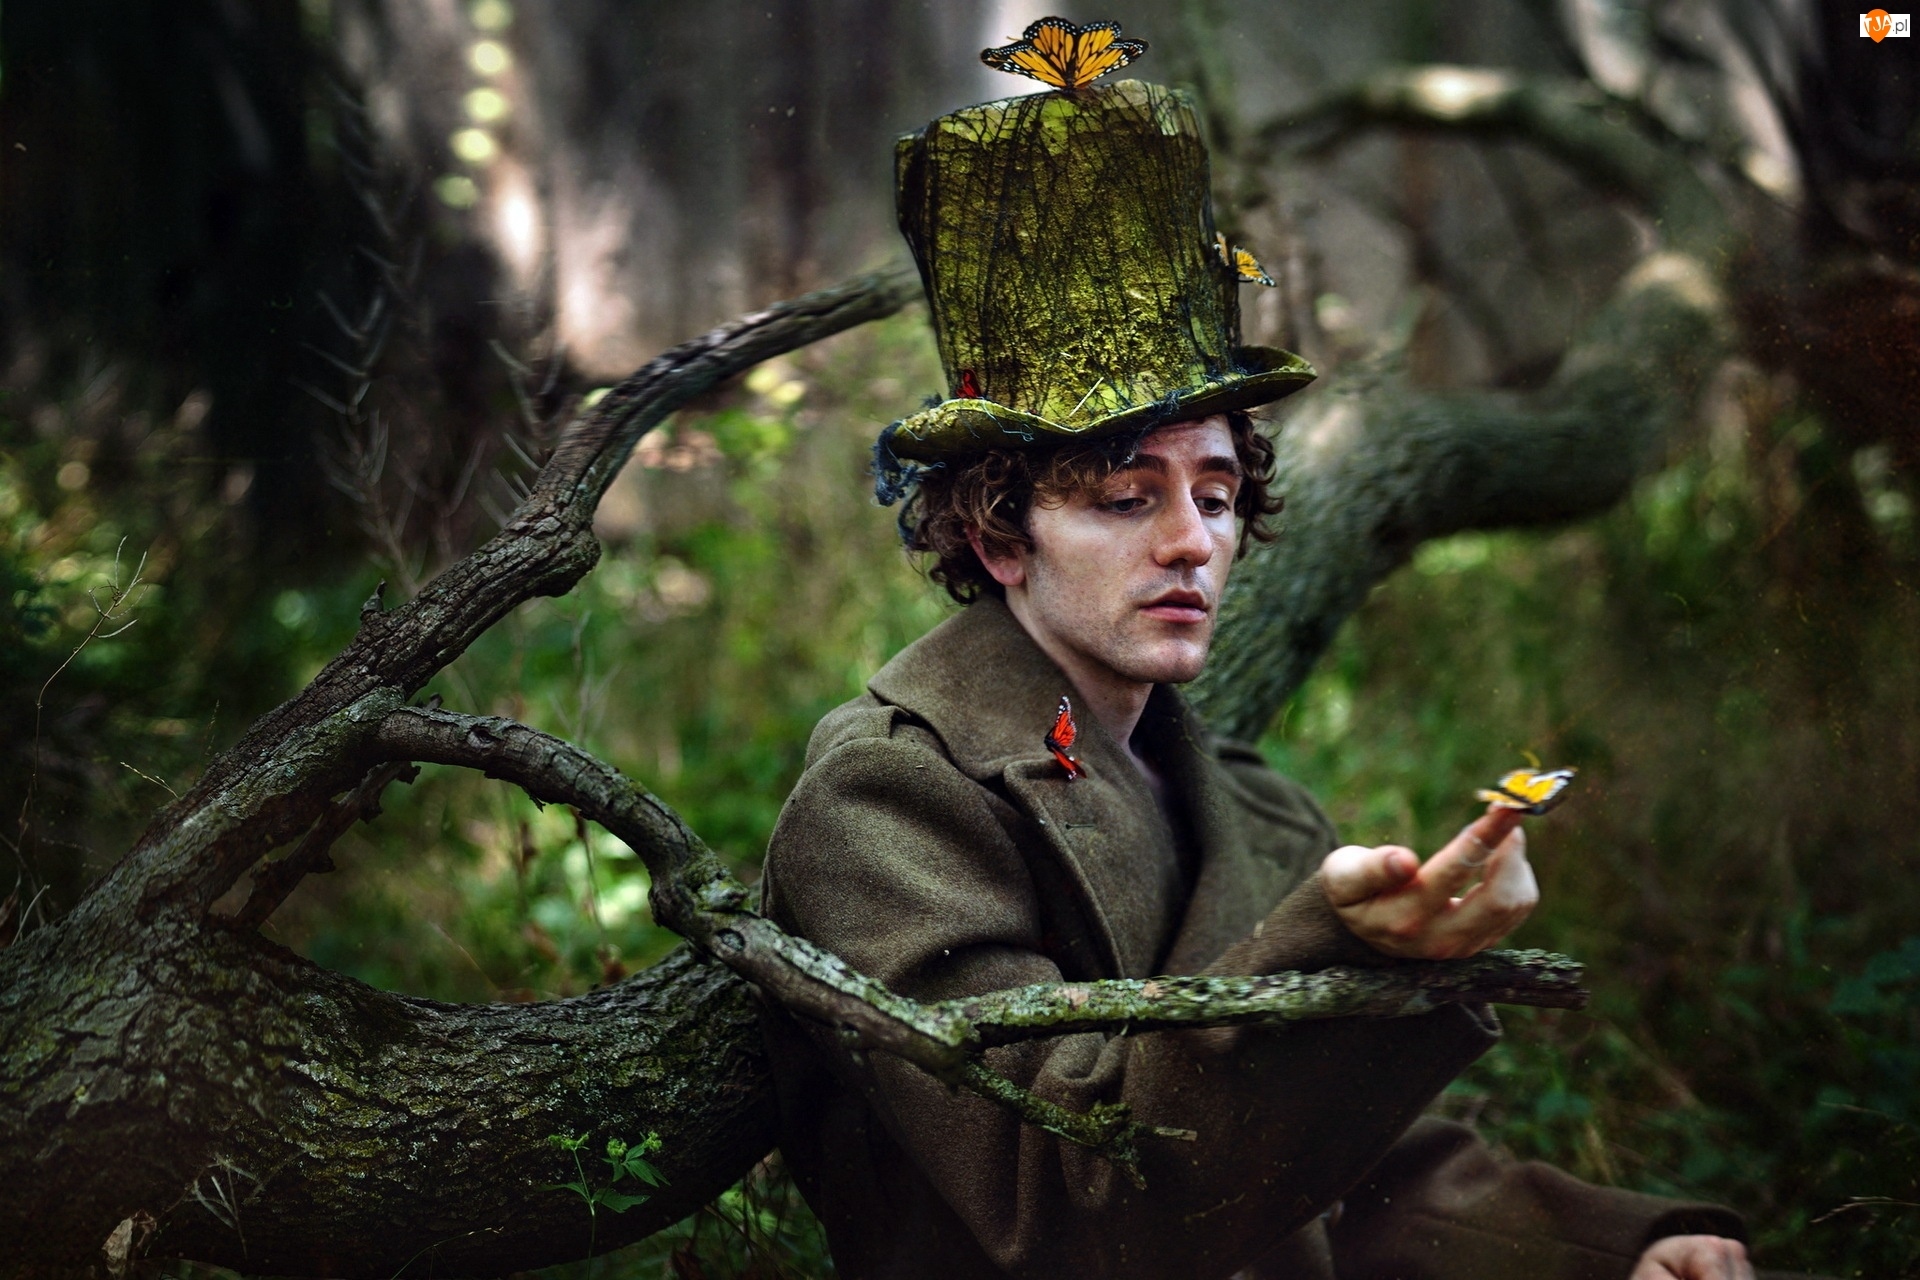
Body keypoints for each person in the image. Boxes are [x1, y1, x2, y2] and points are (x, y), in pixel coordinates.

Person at [760, 42, 1784, 1280]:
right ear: (998, 535)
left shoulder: (1254, 804)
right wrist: (1332, 950)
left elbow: (1358, 1178)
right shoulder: (889, 797)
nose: (1193, 539)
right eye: (1127, 497)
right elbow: (1068, 1196)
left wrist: (1614, 1251)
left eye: (1217, 491)